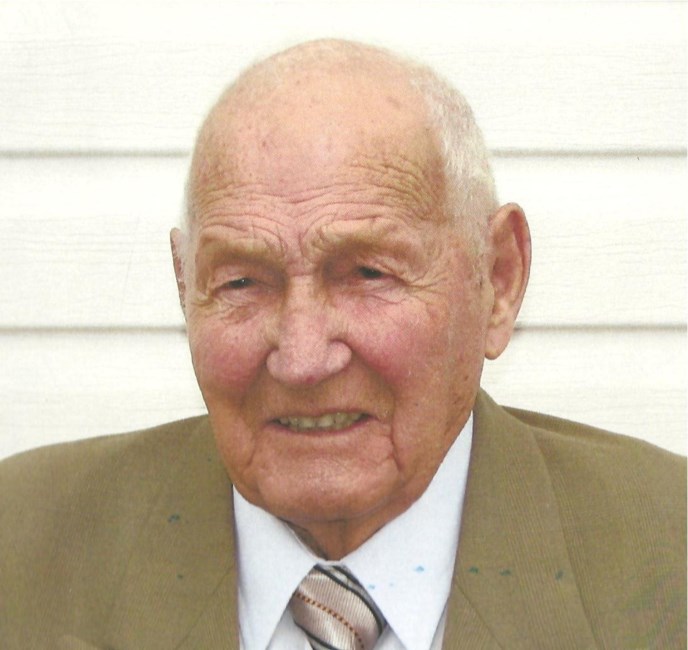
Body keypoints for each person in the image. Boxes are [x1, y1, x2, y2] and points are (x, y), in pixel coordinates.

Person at [0, 39, 684, 650]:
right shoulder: (21, 548)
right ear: (186, 289)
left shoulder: (668, 558)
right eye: (242, 281)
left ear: (498, 279)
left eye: (367, 274)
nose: (302, 359)